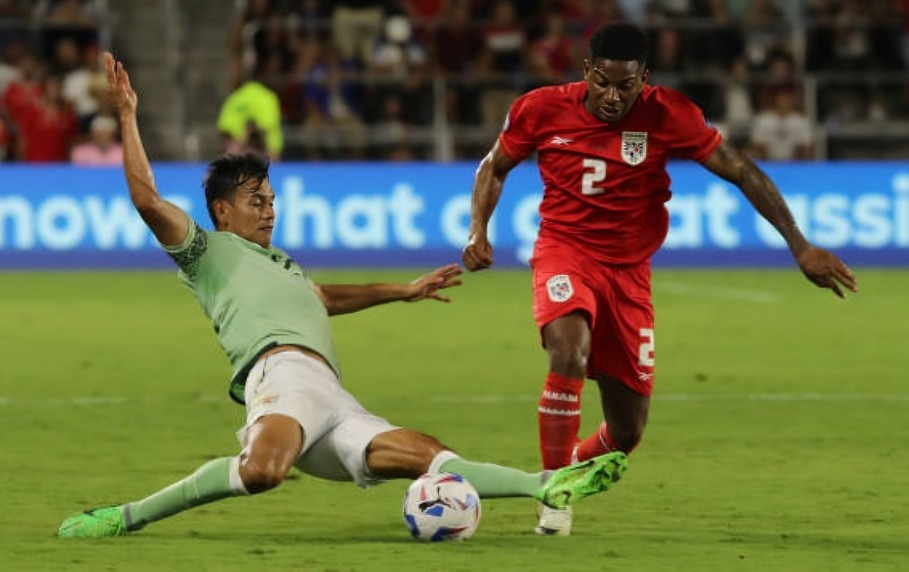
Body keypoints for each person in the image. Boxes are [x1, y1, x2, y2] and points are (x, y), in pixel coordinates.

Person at [56, 52, 627, 539]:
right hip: (278, 375)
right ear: (222, 211)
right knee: (262, 472)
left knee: (427, 454)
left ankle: (546, 483)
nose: (270, 211)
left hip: (329, 394)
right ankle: (127, 517)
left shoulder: (282, 265)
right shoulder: (207, 252)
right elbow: (148, 200)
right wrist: (128, 116)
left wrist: (403, 290)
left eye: (272, 200)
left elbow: (323, 297)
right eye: (256, 202)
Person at [461, 22, 859, 537]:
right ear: (586, 70)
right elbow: (494, 167)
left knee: (626, 431)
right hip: (565, 251)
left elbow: (741, 170)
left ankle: (572, 465)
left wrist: (799, 244)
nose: (612, 96)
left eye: (626, 86)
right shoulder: (539, 108)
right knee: (568, 350)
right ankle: (553, 490)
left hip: (629, 273)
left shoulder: (669, 113)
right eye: (602, 82)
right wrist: (478, 230)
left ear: (643, 78)